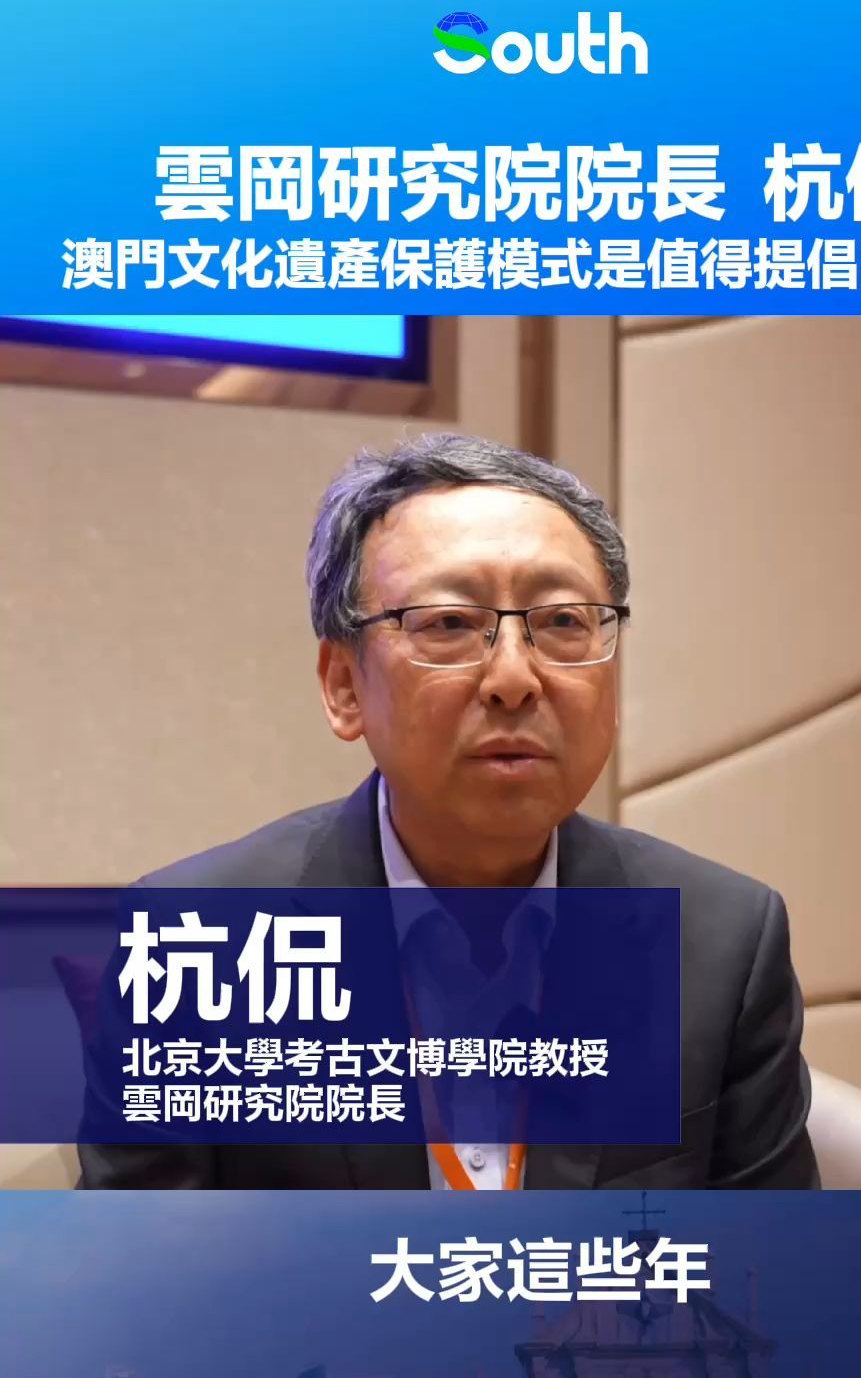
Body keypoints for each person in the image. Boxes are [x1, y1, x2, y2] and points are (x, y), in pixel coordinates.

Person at [78, 433, 818, 1191]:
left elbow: (772, 1255)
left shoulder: (723, 940)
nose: (514, 678)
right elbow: (143, 1260)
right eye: (448, 624)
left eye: (563, 622)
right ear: (343, 685)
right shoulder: (197, 941)